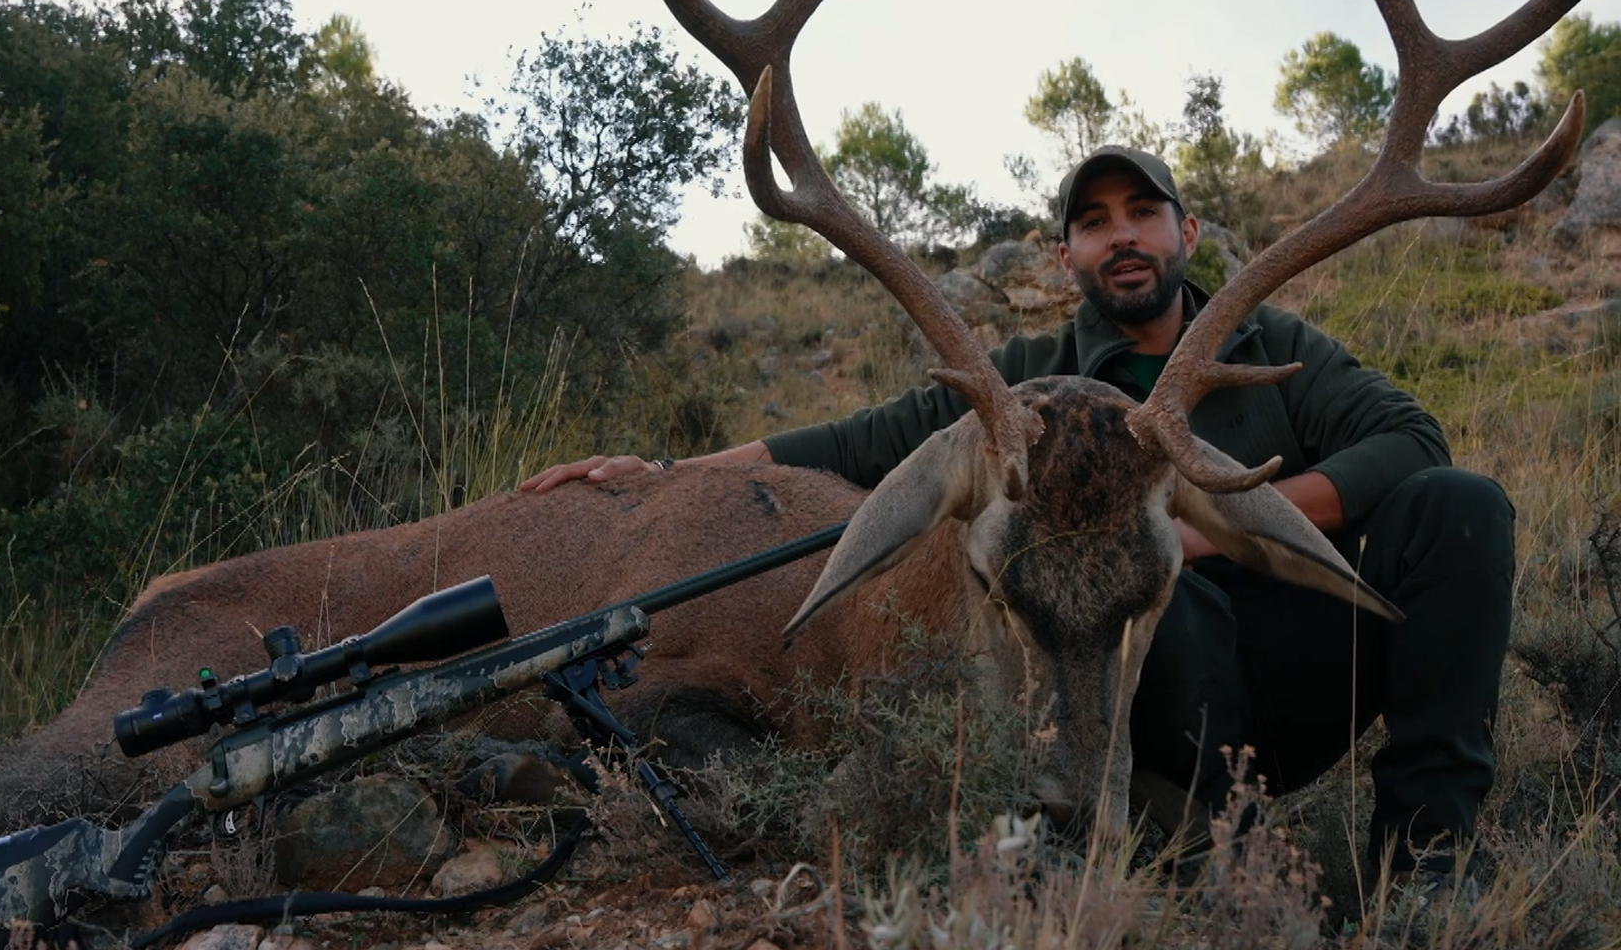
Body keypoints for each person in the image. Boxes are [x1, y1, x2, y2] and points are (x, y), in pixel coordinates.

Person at [520, 145, 1514, 879]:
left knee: (1457, 507)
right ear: (1064, 255)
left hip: (1301, 668)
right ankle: (1188, 835)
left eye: (1143, 212)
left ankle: (1429, 861)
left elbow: (1410, 441)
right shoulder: (1028, 383)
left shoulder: (1276, 344)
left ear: (1186, 234)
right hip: (1153, 691)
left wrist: (1210, 531)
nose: (1122, 235)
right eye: (1094, 222)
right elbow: (861, 439)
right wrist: (658, 468)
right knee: (1117, 588)